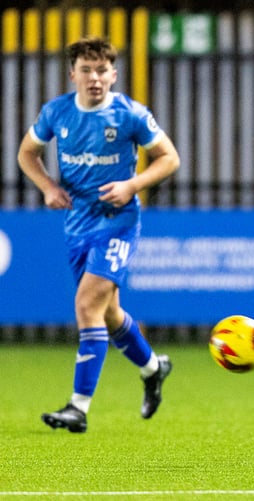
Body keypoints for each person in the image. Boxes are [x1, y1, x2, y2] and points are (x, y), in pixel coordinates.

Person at [17, 36, 180, 433]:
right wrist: (48, 188)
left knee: (87, 304)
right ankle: (153, 367)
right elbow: (26, 153)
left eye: (102, 70)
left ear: (114, 74)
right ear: (73, 74)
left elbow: (170, 158)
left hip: (119, 222)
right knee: (108, 315)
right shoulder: (56, 113)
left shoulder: (130, 115)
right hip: (77, 224)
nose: (95, 78)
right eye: (86, 70)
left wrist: (133, 185)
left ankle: (78, 406)